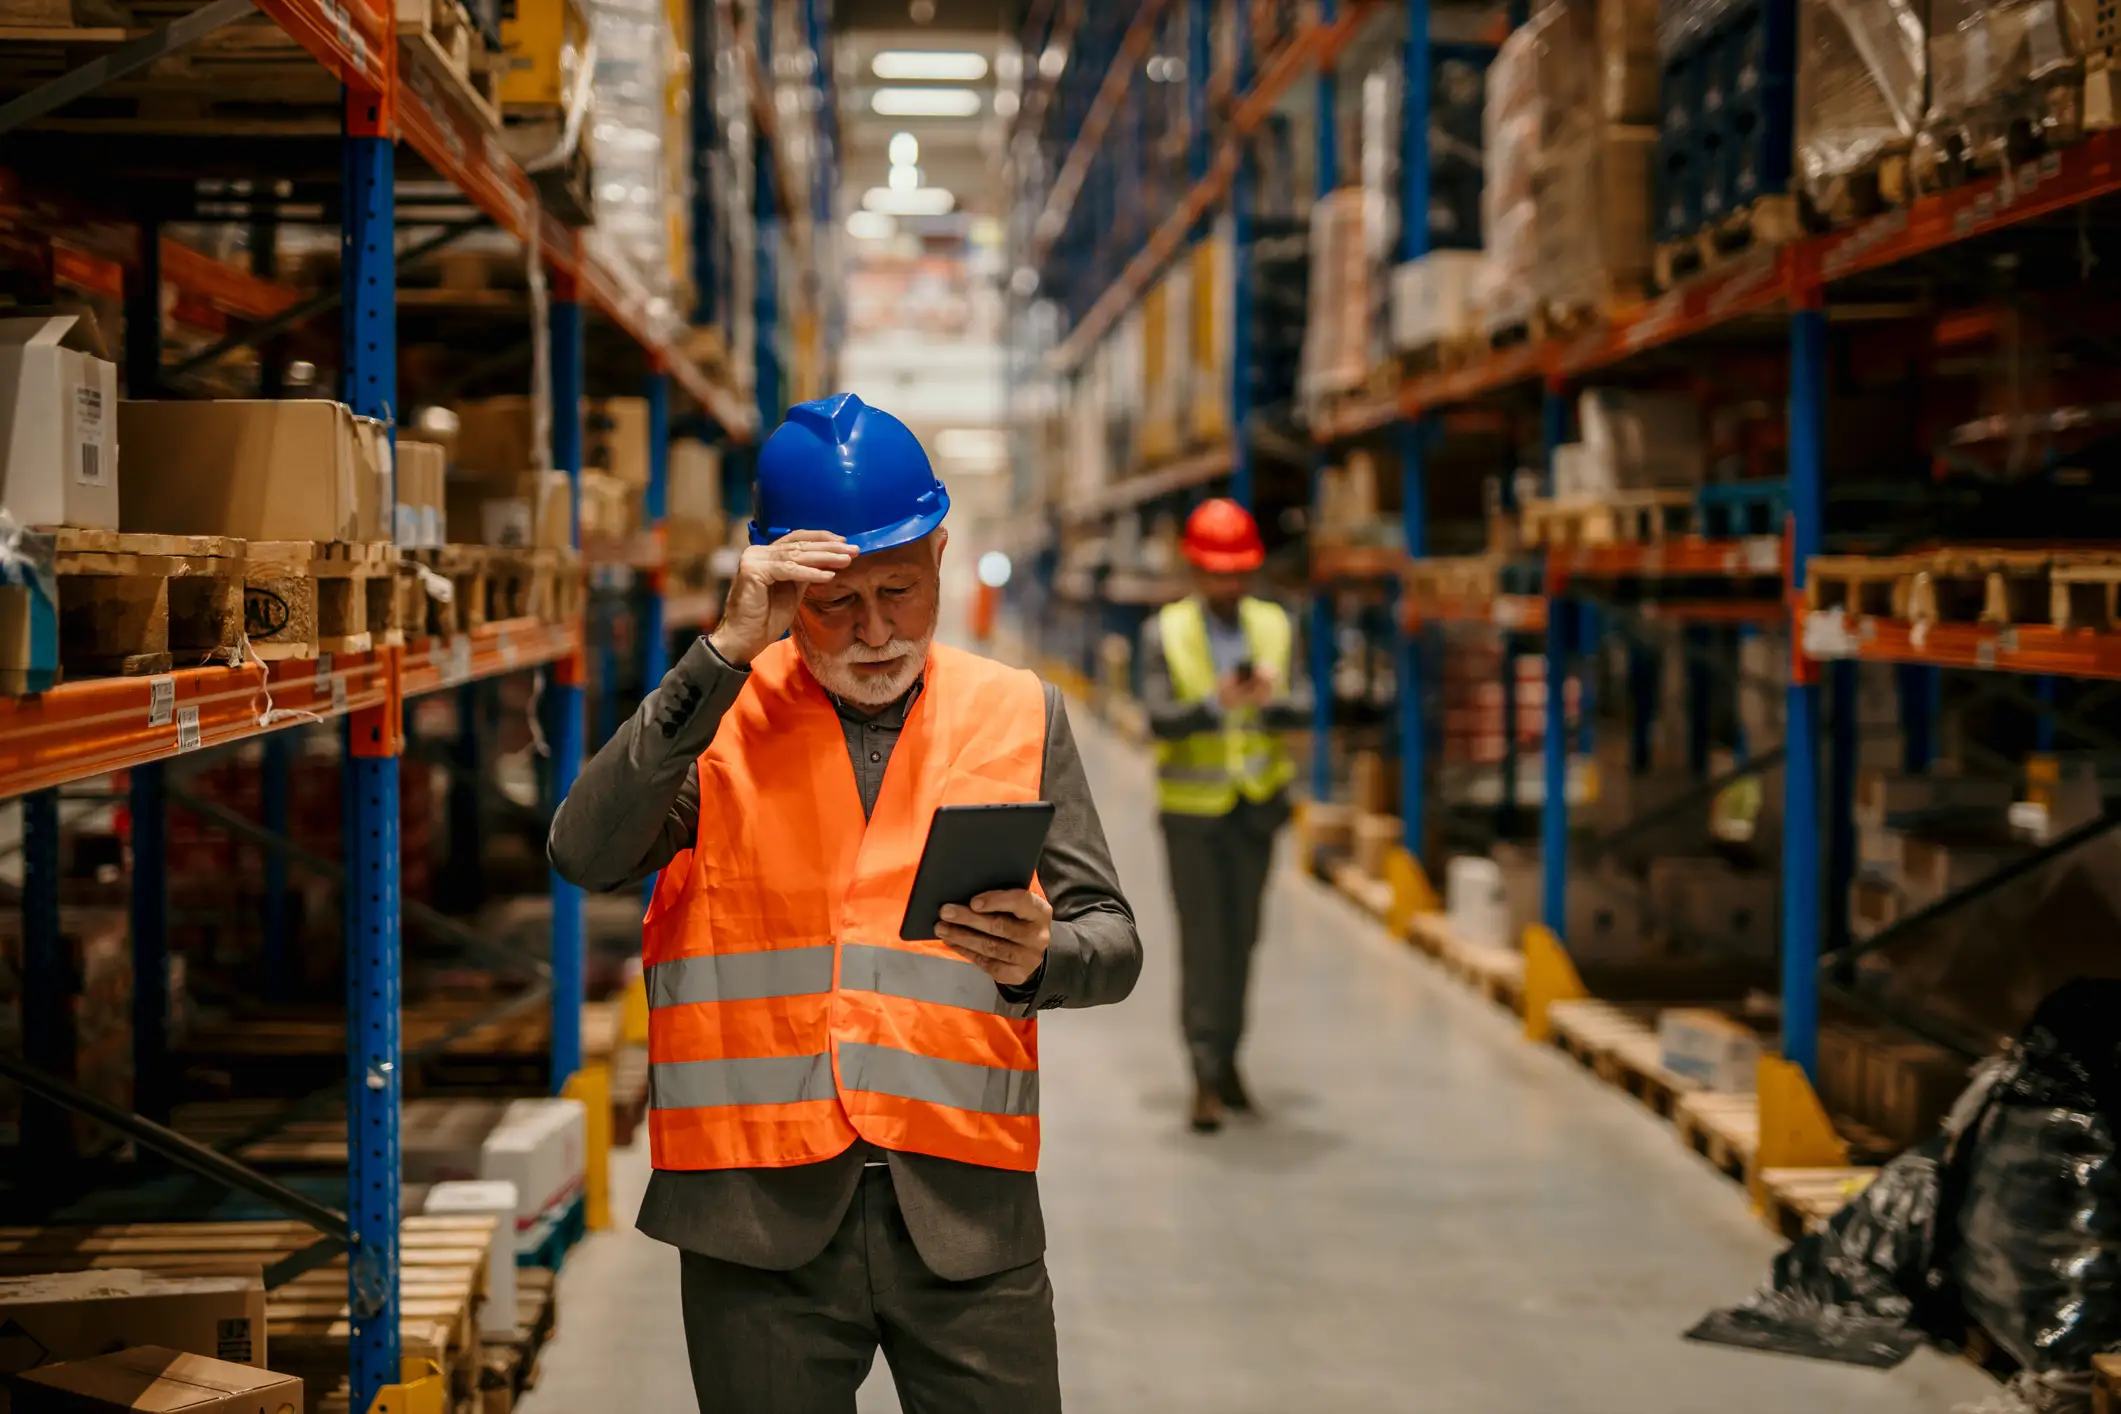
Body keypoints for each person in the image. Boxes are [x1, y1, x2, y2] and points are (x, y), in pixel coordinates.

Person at [548, 392, 1141, 1414]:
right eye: (836, 604)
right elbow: (585, 849)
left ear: (943, 556)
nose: (875, 631)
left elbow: (1114, 940)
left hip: (966, 1218)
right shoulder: (720, 722)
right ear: (778, 584)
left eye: (901, 593)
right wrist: (718, 655)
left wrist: (1045, 955)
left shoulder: (1018, 712)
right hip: (754, 1223)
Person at [1140, 497, 1308, 1134]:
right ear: (1195, 569)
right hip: (1192, 815)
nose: (1228, 585)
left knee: (1243, 942)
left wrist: (1271, 700)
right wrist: (1215, 703)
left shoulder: (1275, 625)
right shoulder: (1166, 631)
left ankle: (1232, 1060)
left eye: (1238, 573)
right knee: (1204, 945)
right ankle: (1205, 1074)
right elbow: (1157, 717)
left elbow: (1303, 706)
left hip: (1255, 810)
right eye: (1217, 572)